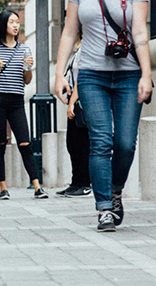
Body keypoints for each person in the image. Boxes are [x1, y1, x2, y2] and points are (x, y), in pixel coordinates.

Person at [53, 0, 153, 232]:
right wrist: (59, 73)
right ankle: (104, 208)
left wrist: (147, 74)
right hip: (92, 75)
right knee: (101, 141)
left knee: (124, 144)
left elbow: (139, 32)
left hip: (128, 75)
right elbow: (70, 31)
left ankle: (115, 190)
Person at [0, 10, 48, 199]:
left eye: (17, 22)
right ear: (3, 25)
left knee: (25, 142)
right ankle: (3, 187)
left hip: (16, 101)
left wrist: (29, 67)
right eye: (11, 22)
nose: (16, 25)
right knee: (0, 143)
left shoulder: (24, 49)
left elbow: (26, 80)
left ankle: (37, 186)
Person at [56, 42, 92, 198]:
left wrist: (72, 102)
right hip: (75, 98)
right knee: (72, 142)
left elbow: (83, 75)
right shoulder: (78, 48)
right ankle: (76, 182)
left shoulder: (88, 46)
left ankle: (85, 184)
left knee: (82, 143)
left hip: (82, 99)